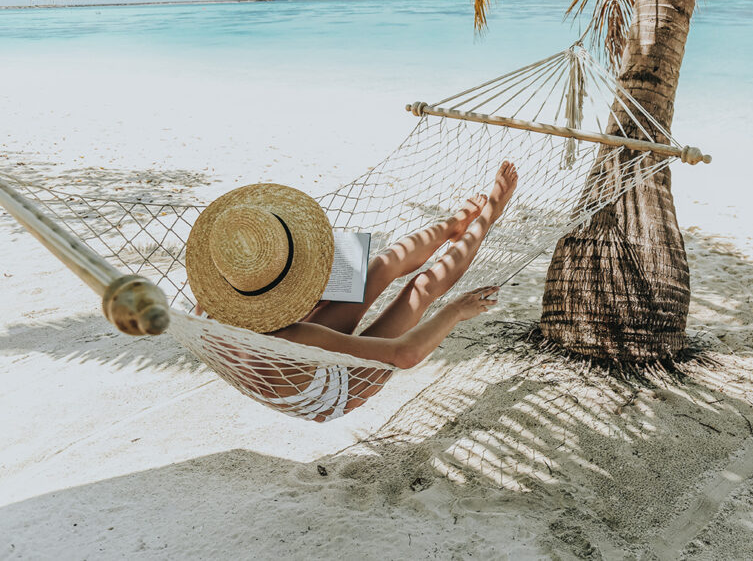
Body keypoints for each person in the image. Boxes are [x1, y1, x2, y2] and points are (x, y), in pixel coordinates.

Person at [185, 161, 518, 421]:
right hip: (330, 389)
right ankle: (489, 216)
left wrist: (318, 293)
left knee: (380, 266)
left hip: (274, 357)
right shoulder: (298, 336)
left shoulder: (207, 306)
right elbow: (405, 354)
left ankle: (453, 225)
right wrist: (456, 310)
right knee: (420, 288)